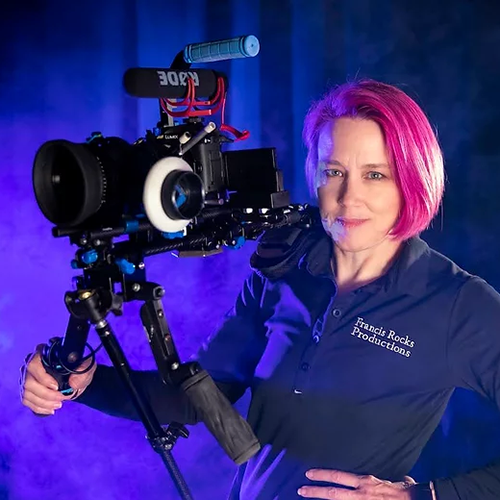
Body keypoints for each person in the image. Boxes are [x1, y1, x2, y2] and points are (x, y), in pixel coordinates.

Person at [20, 79, 500, 500]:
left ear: (413, 179)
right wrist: (84, 383)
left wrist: (431, 497)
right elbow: (196, 400)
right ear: (315, 173)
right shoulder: (283, 264)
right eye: (334, 171)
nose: (349, 196)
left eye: (375, 174)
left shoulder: (458, 304)